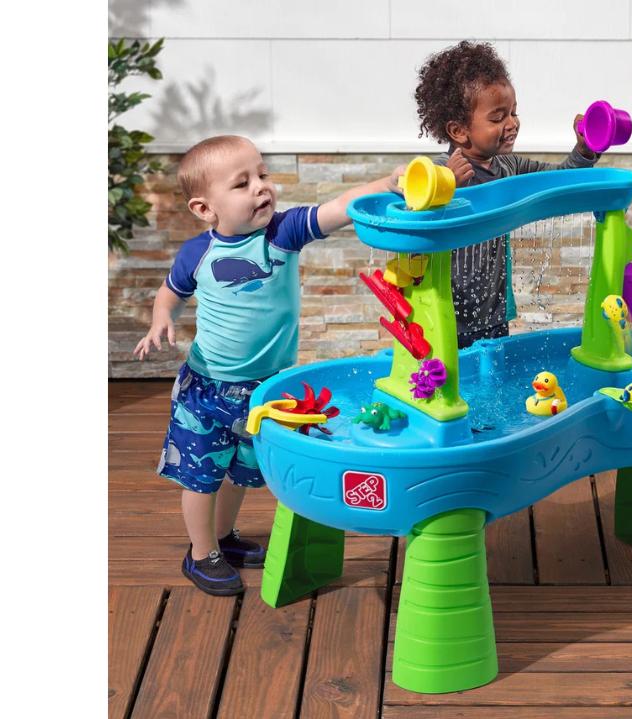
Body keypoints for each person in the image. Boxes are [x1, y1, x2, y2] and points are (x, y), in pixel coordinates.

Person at [134, 135, 402, 595]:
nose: (261, 188)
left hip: (265, 390)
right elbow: (171, 292)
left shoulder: (282, 233)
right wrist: (162, 320)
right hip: (206, 389)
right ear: (205, 209)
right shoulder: (197, 254)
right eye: (242, 183)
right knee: (200, 476)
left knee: (240, 470)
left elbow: (338, 207)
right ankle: (200, 555)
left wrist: (389, 182)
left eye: (263, 175)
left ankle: (222, 537)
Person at [413, 40, 600, 348]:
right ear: (459, 130)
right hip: (444, 312)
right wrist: (448, 188)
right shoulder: (439, 172)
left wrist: (584, 149)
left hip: (493, 313)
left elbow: (559, 180)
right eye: (498, 118)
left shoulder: (509, 165)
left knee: (489, 385)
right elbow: (413, 220)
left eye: (513, 112)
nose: (512, 124)